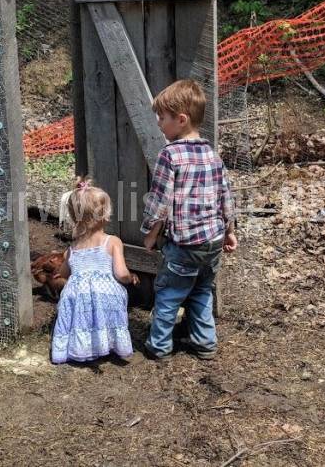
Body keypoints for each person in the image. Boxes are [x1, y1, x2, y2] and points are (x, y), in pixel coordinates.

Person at [141, 79, 237, 361]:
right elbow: (226, 197)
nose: (159, 122)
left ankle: (159, 346)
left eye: (162, 117)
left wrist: (149, 233)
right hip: (213, 242)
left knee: (169, 294)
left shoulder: (170, 155)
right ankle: (205, 343)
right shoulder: (212, 155)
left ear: (181, 120)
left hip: (184, 245)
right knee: (202, 291)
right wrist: (230, 231)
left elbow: (160, 201)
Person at [51, 177, 139, 364]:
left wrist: (64, 277)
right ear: (102, 216)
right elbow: (120, 274)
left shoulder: (72, 248)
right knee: (108, 297)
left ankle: (80, 347)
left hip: (77, 295)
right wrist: (130, 277)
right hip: (104, 294)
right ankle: (108, 343)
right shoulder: (112, 241)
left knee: (80, 306)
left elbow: (63, 274)